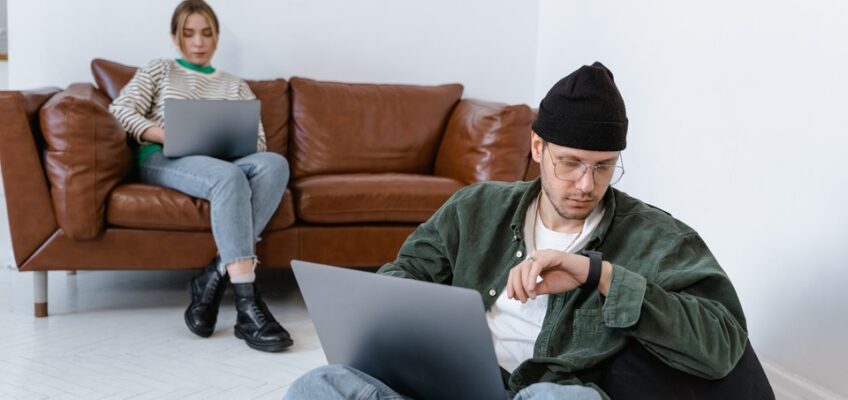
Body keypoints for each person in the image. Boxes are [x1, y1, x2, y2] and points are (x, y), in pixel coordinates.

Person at [285, 62, 764, 399]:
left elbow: (722, 344)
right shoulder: (476, 207)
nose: (585, 184)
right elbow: (406, 270)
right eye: (570, 163)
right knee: (316, 387)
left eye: (604, 167)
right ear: (537, 147)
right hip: (450, 382)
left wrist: (598, 275)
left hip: (546, 390)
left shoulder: (659, 239)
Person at [109, 0, 292, 353]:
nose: (198, 42)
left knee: (274, 164)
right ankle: (247, 305)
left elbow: (257, 141)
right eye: (188, 33)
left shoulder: (235, 86)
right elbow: (120, 110)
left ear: (217, 37)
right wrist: (167, 134)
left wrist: (220, 143)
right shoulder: (159, 70)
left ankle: (214, 274)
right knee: (229, 178)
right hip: (164, 156)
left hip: (221, 160)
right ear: (175, 37)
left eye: (206, 33)